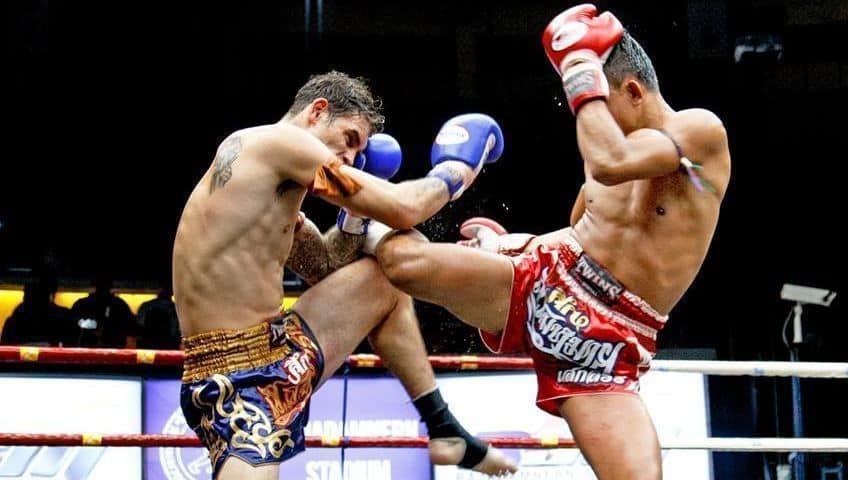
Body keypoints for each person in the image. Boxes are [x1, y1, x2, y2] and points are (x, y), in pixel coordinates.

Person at [366, 5, 731, 480]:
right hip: (547, 277)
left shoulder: (699, 133)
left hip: (609, 340)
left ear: (633, 91)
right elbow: (581, 230)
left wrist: (580, 70)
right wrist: (510, 245)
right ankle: (377, 202)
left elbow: (610, 161)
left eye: (598, 99)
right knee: (399, 261)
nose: (581, 115)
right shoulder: (602, 146)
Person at [172, 71, 515, 479]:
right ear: (318, 112)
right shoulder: (277, 143)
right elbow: (403, 207)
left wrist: (354, 216)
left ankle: (444, 429)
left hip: (278, 351)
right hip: (231, 377)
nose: (350, 158)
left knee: (384, 279)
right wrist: (456, 170)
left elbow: (326, 266)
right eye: (350, 139)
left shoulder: (274, 191)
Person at [69, 271, 136, 347]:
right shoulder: (120, 304)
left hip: (92, 350)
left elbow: (71, 327)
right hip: (111, 350)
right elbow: (132, 327)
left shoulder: (82, 304)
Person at [136, 280, 180, 350]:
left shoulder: (146, 306)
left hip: (147, 346)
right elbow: (176, 330)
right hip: (168, 346)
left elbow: (139, 326)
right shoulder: (175, 308)